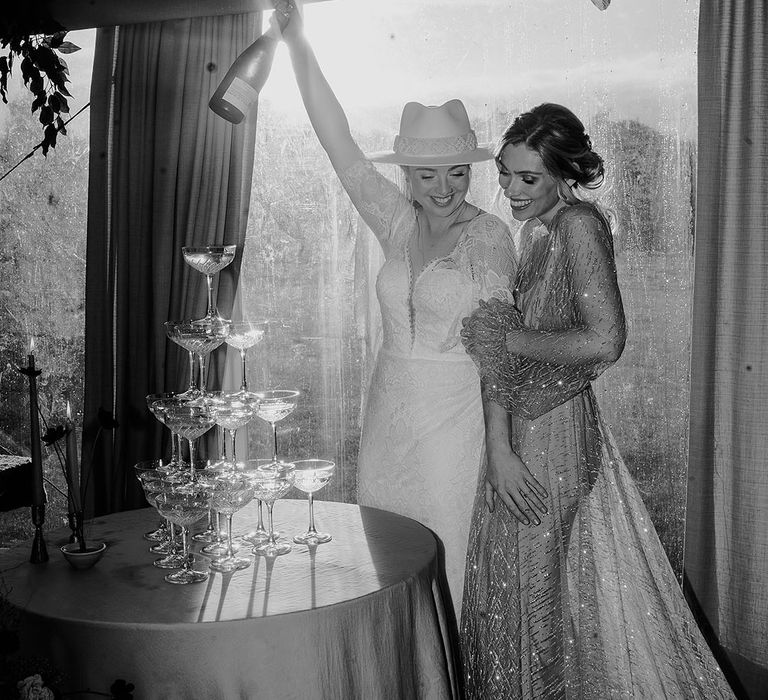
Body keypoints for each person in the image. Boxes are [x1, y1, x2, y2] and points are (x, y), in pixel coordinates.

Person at [459, 103, 736, 699]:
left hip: (555, 431)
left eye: (527, 177)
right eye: (505, 174)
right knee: (517, 588)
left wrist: (505, 336)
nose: (510, 189)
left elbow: (605, 340)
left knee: (531, 594)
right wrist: (500, 436)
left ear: (564, 173)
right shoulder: (540, 231)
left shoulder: (578, 223)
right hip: (533, 426)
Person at [278, 7, 517, 623]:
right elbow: (337, 140)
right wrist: (297, 45)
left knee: (447, 559)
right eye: (428, 174)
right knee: (385, 552)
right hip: (389, 412)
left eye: (458, 173)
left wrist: (500, 444)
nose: (444, 188)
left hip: (454, 418)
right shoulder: (395, 220)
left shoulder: (489, 238)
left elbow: (498, 350)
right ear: (405, 174)